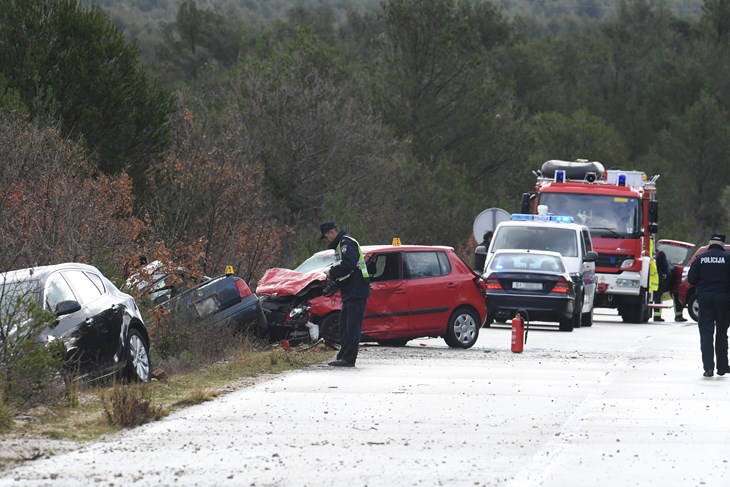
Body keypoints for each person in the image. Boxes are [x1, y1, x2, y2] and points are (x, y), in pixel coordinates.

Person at [320, 221, 370, 367]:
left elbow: (348, 265)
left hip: (356, 291)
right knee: (344, 326)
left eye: (326, 236)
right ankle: (343, 356)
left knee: (352, 327)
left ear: (332, 233)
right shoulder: (341, 245)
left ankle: (349, 359)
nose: (327, 240)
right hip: (350, 291)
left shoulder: (346, 243)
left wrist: (331, 272)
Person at [687, 233, 730, 377]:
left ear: (710, 243)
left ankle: (708, 368)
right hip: (723, 301)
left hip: (705, 300)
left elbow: (691, 279)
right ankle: (723, 367)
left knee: (706, 333)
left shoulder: (700, 259)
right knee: (722, 333)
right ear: (723, 244)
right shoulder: (728, 258)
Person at [652, 250, 675, 322]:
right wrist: (669, 274)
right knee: (658, 298)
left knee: (655, 298)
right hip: (658, 279)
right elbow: (665, 267)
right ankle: (657, 316)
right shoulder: (661, 254)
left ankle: (656, 315)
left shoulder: (653, 255)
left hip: (651, 279)